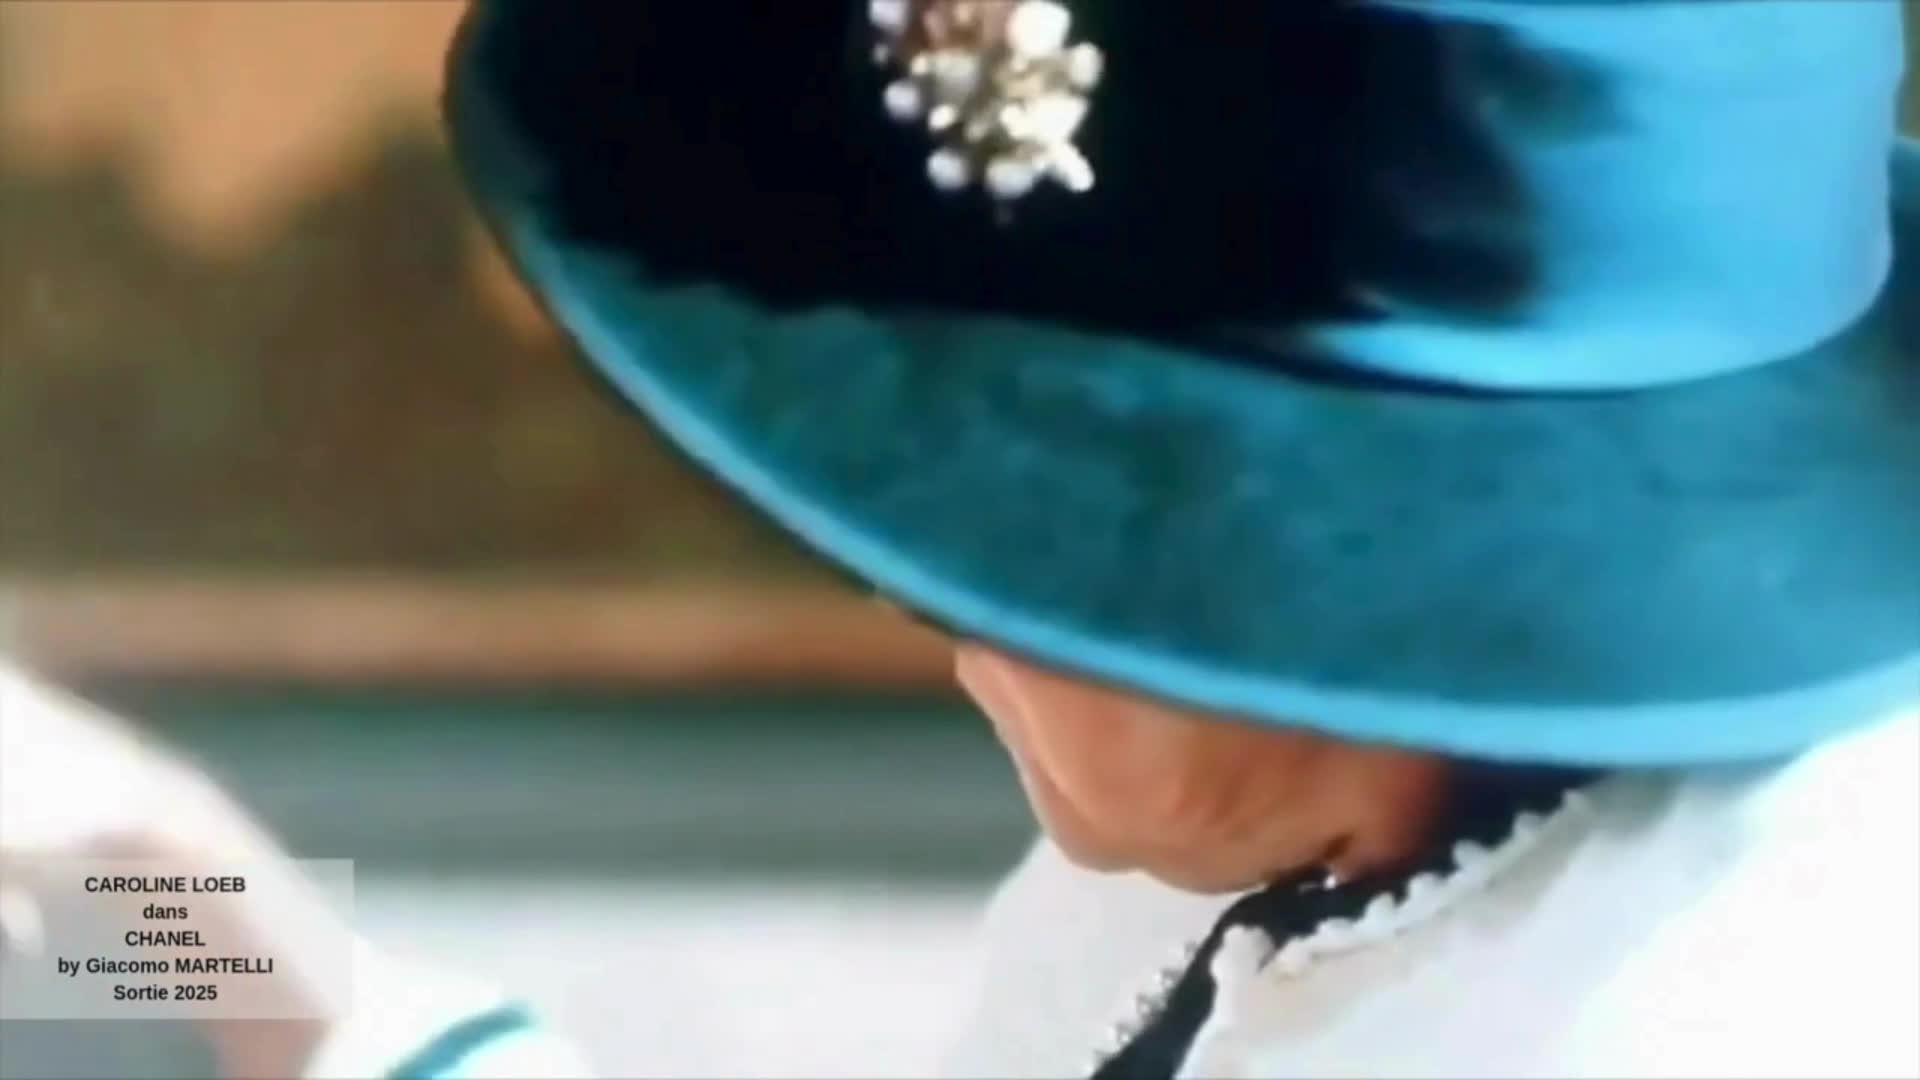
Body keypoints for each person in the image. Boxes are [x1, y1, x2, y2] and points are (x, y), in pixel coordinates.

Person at [5, 0, 1918, 1076]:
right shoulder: (1276, 842)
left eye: (1022, 536)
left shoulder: (1727, 1009)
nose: (932, 608)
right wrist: (170, 900)